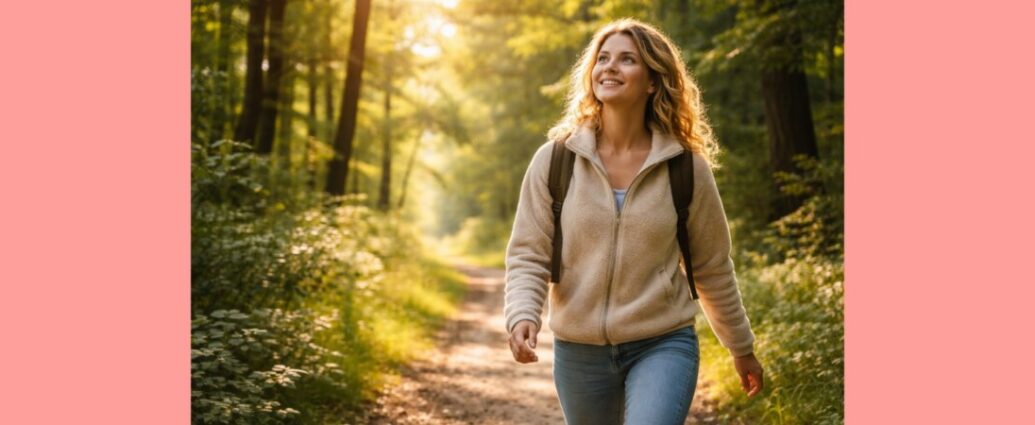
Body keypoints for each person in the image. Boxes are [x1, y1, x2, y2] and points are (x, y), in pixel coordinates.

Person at [503, 18, 764, 424]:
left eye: (627, 60)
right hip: (579, 350)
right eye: (603, 59)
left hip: (662, 343)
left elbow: (713, 267)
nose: (610, 67)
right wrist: (522, 314)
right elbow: (529, 253)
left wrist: (740, 347)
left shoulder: (685, 168)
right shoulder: (556, 160)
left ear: (653, 82)